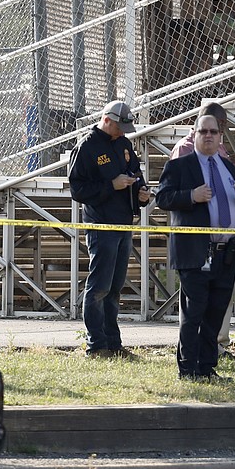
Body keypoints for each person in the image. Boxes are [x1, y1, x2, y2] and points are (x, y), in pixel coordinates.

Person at [156, 114, 235, 380]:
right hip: (197, 253)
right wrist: (191, 196)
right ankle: (188, 369)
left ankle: (207, 367)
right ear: (195, 134)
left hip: (227, 254)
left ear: (220, 135)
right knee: (195, 313)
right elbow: (162, 198)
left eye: (214, 131)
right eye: (204, 131)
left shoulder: (228, 167)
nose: (209, 136)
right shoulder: (180, 166)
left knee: (215, 314)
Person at [68, 99, 152, 359]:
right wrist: (110, 186)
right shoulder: (87, 147)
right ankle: (96, 345)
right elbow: (77, 189)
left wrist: (142, 192)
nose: (124, 131)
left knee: (115, 286)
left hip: (124, 222)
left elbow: (135, 173)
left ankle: (113, 344)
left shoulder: (125, 145)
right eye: (120, 126)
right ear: (107, 120)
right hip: (101, 225)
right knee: (99, 286)